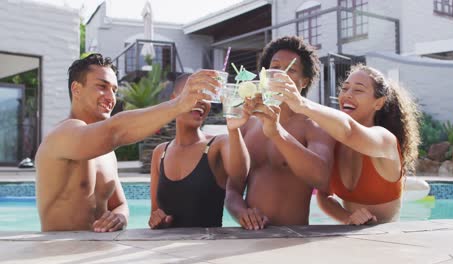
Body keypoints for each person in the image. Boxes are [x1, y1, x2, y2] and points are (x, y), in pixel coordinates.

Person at [35, 53, 220, 232]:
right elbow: (115, 131)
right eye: (102, 86)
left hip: (98, 252)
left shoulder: (106, 152)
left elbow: (120, 205)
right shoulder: (62, 135)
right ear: (76, 89)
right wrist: (179, 104)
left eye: (114, 90)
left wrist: (119, 217)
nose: (110, 97)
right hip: (59, 254)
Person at [271, 63, 420, 225]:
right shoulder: (334, 141)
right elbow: (324, 195)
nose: (347, 95)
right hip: (350, 241)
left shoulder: (385, 140)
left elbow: (349, 131)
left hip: (390, 242)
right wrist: (347, 217)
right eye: (345, 88)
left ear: (379, 103)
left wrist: (302, 104)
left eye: (358, 90)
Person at [225, 36, 335, 230]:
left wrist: (277, 133)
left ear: (303, 82)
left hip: (293, 238)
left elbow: (321, 178)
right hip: (249, 238)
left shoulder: (314, 125)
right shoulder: (247, 124)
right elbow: (233, 189)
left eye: (290, 70)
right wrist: (243, 213)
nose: (280, 75)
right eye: (274, 67)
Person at [148, 73, 250, 229]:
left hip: (206, 249)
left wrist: (234, 129)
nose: (201, 101)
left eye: (207, 95)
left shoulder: (218, 144)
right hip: (166, 250)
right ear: (173, 99)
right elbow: (155, 213)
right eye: (194, 92)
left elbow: (240, 174)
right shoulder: (160, 152)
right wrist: (158, 220)